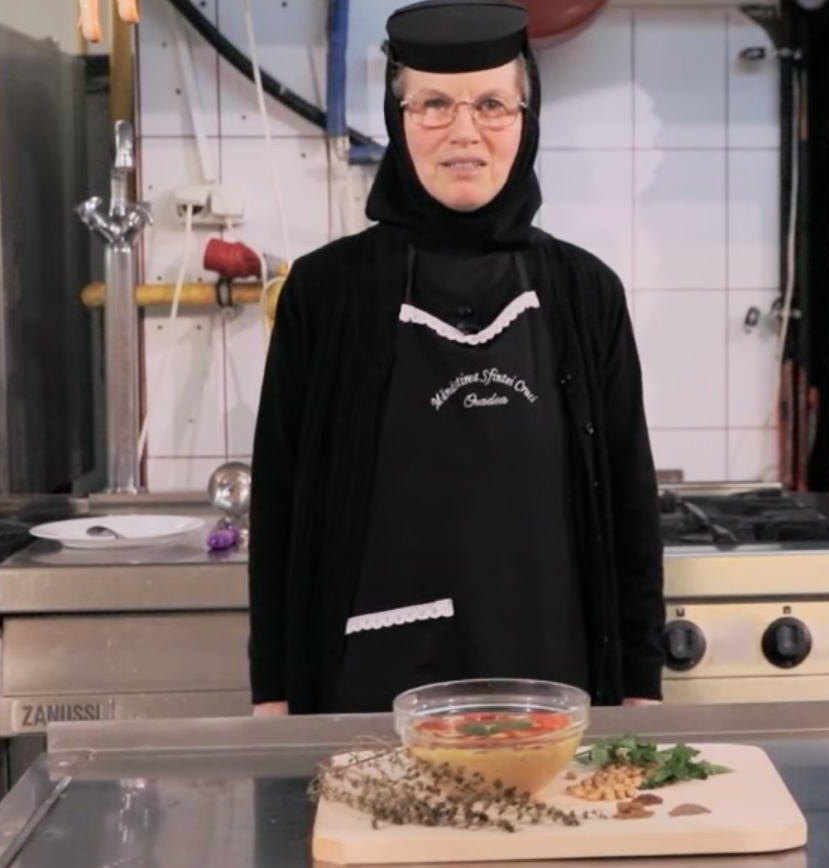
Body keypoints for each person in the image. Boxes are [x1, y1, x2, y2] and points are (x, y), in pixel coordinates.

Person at [248, 0, 665, 716]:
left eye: (492, 104)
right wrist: (274, 693)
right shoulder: (326, 292)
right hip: (372, 691)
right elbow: (280, 500)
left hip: (552, 688)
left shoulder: (585, 292)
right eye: (434, 104)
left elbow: (629, 498)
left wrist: (639, 684)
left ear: (526, 118)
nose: (463, 132)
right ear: (398, 117)